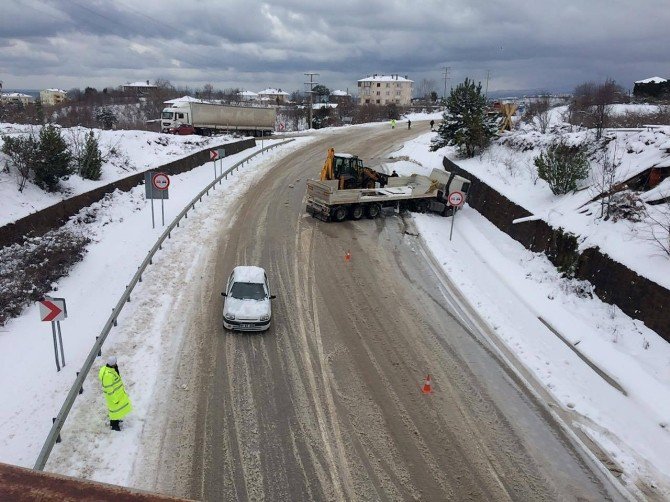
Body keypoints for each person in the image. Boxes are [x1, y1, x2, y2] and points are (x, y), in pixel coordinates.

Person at [99, 356, 132, 431]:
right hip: (113, 396)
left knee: (116, 410)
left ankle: (116, 420)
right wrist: (114, 399)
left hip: (117, 394)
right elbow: (109, 389)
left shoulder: (111, 369)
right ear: (112, 364)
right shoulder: (108, 375)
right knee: (113, 411)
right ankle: (114, 425)